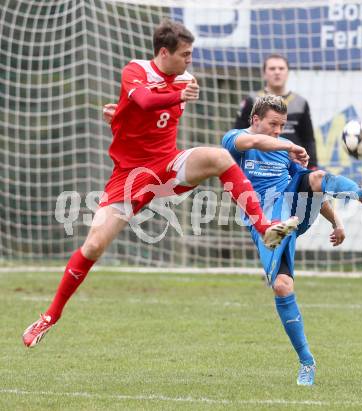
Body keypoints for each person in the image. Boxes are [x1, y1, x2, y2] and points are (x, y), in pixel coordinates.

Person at [22, 21, 308, 348]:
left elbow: (147, 119)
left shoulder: (186, 79)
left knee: (220, 158)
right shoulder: (136, 70)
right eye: (185, 54)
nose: (190, 60)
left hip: (167, 165)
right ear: (163, 52)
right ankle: (50, 317)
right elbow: (143, 102)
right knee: (93, 247)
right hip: (129, 177)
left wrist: (122, 116)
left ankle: (264, 227)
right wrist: (126, 114)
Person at [222, 95, 362, 386]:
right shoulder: (234, 140)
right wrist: (291, 146)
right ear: (255, 120)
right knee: (282, 287)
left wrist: (337, 222)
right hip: (264, 221)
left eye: (282, 126)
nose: (278, 131)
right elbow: (254, 142)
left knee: (316, 176)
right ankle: (307, 361)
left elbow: (313, 187)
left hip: (292, 210)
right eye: (273, 124)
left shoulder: (285, 155)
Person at [234, 54, 318, 169]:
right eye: (272, 68)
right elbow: (238, 133)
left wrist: (313, 166)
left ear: (288, 73)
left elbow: (308, 138)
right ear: (264, 74)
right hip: (259, 164)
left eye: (281, 68)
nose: (277, 72)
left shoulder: (300, 102)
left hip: (293, 164)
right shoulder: (252, 100)